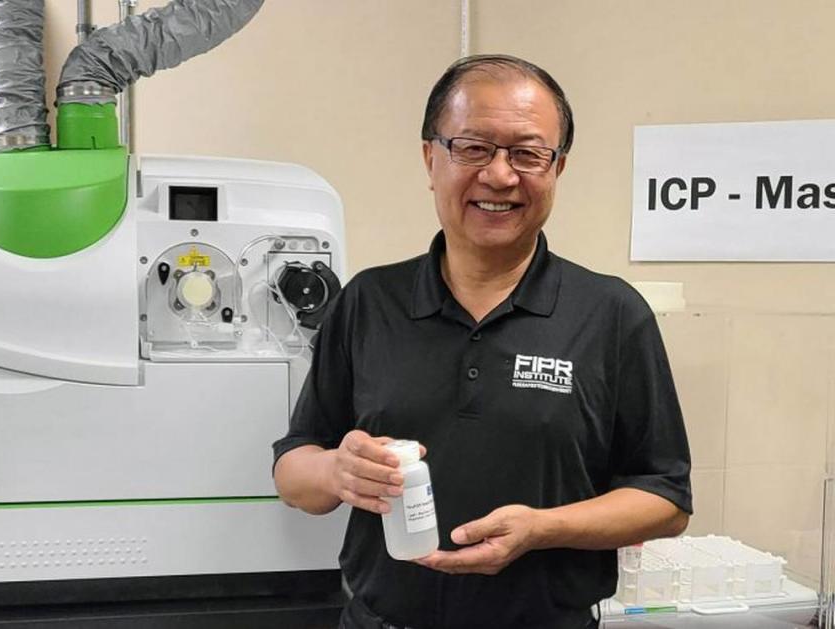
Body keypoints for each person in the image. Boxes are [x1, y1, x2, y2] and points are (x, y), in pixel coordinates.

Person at [272, 54, 692, 629]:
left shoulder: (612, 314)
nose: (500, 175)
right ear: (430, 158)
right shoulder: (370, 301)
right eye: (473, 147)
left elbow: (665, 499)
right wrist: (336, 473)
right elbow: (294, 470)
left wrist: (541, 530)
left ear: (557, 169)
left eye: (528, 153)